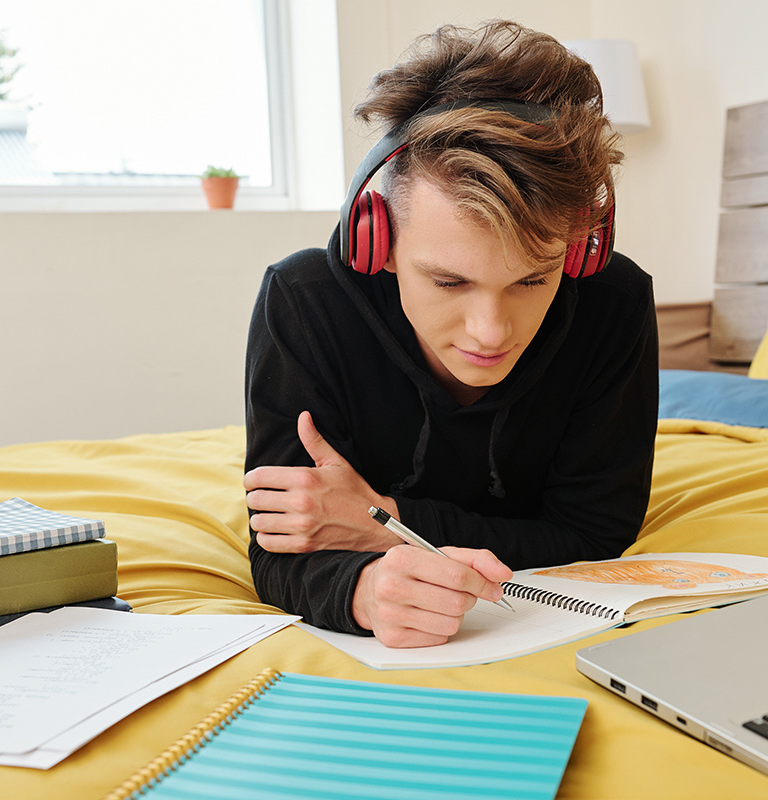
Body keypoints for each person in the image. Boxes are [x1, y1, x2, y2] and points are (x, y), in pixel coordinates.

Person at [243, 20, 658, 648]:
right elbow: (284, 540)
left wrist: (385, 523)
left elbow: (596, 533)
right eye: (448, 282)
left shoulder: (613, 303)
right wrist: (361, 592)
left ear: (577, 253)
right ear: (375, 241)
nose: (491, 332)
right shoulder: (305, 303)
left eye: (531, 282)